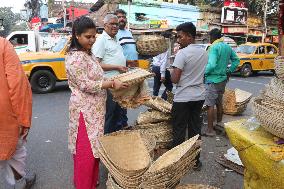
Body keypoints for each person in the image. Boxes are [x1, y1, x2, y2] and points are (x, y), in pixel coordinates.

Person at [65, 16, 128, 189]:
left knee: (94, 151)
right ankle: (84, 184)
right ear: (77, 35)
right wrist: (110, 83)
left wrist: (114, 78)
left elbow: (97, 75)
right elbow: (85, 84)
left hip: (96, 110)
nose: (92, 40)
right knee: (86, 153)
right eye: (88, 37)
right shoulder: (76, 57)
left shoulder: (88, 53)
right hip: (84, 112)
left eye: (94, 36)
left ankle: (91, 182)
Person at [170, 22, 208, 171]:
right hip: (198, 96)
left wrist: (171, 71)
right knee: (195, 130)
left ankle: (177, 163)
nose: (178, 40)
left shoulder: (182, 53)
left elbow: (175, 79)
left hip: (183, 98)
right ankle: (195, 161)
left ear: (190, 37)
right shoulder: (204, 53)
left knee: (179, 131)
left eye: (180, 37)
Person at [0, 37, 35, 189]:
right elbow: (17, 84)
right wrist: (22, 119)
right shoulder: (2, 45)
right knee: (14, 148)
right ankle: (19, 182)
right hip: (5, 115)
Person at [92, 14, 128, 134]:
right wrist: (117, 66)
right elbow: (96, 64)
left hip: (118, 82)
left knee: (118, 114)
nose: (115, 26)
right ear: (105, 25)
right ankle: (106, 141)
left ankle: (115, 140)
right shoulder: (101, 41)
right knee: (110, 114)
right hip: (109, 84)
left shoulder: (115, 39)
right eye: (112, 24)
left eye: (116, 24)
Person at [204, 28, 240, 136]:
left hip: (212, 80)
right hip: (222, 80)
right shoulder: (227, 47)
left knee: (210, 105)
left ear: (212, 37)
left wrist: (203, 73)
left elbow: (211, 65)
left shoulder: (213, 47)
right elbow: (236, 60)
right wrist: (229, 71)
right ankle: (218, 124)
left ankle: (210, 130)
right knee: (219, 104)